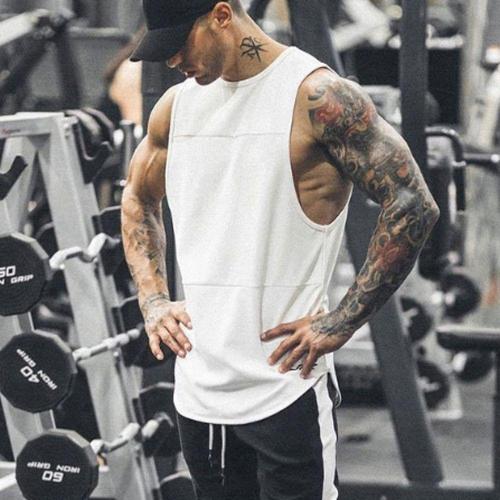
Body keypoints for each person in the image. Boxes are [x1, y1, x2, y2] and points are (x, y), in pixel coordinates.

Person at [121, 1, 439, 498]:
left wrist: (342, 321)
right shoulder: (176, 107)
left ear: (221, 15)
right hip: (200, 397)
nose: (172, 59)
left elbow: (412, 203)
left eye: (180, 43)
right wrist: (154, 300)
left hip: (285, 389)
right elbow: (138, 199)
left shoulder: (316, 97)